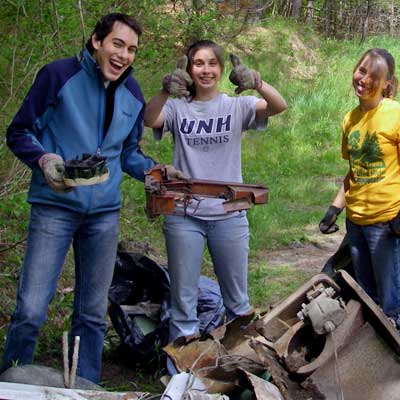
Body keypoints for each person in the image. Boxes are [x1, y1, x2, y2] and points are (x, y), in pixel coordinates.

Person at [2, 13, 182, 383]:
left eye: (131, 49)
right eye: (118, 44)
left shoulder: (133, 94)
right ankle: (11, 381)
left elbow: (128, 153)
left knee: (91, 311)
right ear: (97, 41)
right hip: (55, 207)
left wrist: (154, 172)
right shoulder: (58, 76)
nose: (124, 55)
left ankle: (85, 386)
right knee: (32, 309)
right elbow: (19, 131)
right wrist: (45, 160)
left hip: (103, 215)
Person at [144, 40, 287, 342]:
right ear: (189, 69)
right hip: (184, 213)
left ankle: (240, 364)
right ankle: (182, 371)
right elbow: (149, 118)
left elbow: (278, 105)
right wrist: (165, 90)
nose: (205, 70)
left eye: (212, 63)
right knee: (183, 300)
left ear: (222, 69)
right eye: (198, 63)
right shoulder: (177, 108)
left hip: (228, 213)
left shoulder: (236, 106)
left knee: (238, 301)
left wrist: (257, 82)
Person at [319, 48, 400, 328]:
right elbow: (355, 169)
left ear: (388, 84)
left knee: (392, 300)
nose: (364, 79)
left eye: (374, 76)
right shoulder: (350, 119)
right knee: (365, 292)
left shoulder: (394, 114)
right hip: (356, 222)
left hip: (386, 223)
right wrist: (335, 207)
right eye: (361, 70)